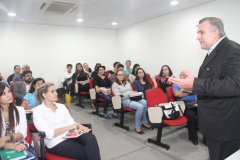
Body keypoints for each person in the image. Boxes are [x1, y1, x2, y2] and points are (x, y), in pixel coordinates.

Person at [169, 17, 240, 160]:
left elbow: (235, 84)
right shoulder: (216, 51)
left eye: (201, 32)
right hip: (216, 123)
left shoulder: (231, 50)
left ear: (216, 32)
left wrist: (195, 84)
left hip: (224, 126)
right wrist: (193, 83)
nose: (197, 37)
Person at [33, 83, 101, 160]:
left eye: (55, 91)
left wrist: (80, 126)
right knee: (88, 152)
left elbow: (72, 123)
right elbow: (48, 134)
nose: (56, 93)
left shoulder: (62, 107)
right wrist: (69, 127)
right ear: (44, 95)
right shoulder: (38, 111)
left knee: (91, 138)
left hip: (70, 134)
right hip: (56, 142)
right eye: (52, 91)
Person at [0, 82, 37, 159]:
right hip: (4, 147)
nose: (8, 95)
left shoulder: (20, 110)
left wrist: (5, 138)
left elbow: (22, 134)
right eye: (3, 94)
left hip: (20, 144)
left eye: (9, 92)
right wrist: (13, 146)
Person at [20, 78, 44, 158]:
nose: (40, 86)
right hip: (32, 118)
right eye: (38, 84)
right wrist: (26, 107)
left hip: (45, 117)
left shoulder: (46, 95)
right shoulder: (29, 95)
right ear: (33, 86)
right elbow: (22, 107)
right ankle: (39, 155)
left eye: (42, 84)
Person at [172, 71, 198, 145]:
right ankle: (193, 138)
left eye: (186, 75)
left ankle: (207, 138)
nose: (185, 76)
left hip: (196, 104)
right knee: (191, 115)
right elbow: (177, 94)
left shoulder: (191, 85)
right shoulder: (177, 85)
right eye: (183, 75)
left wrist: (183, 90)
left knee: (206, 113)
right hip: (185, 106)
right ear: (180, 77)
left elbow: (195, 91)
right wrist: (189, 92)